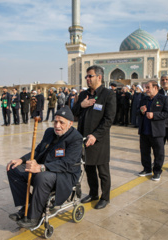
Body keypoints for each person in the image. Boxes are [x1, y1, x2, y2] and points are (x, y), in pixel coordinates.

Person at [6, 106, 82, 228]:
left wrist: (41, 167)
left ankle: (34, 217)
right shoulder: (49, 132)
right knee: (13, 169)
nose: (57, 125)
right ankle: (27, 207)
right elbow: (37, 151)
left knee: (42, 177)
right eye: (55, 121)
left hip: (64, 174)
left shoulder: (76, 138)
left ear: (70, 124)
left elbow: (67, 164)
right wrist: (21, 160)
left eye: (61, 122)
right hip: (44, 168)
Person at [72, 65, 116, 210]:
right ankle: (93, 193)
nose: (87, 79)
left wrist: (95, 136)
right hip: (84, 139)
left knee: (103, 171)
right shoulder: (84, 94)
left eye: (90, 76)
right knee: (88, 168)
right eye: (86, 76)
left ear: (99, 77)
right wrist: (82, 105)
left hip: (99, 140)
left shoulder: (107, 94)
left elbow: (108, 120)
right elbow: (74, 114)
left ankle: (105, 197)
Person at [138, 80, 168, 181]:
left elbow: (167, 113)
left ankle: (157, 172)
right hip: (144, 130)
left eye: (148, 87)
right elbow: (137, 112)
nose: (146, 90)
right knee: (144, 152)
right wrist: (141, 111)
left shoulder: (163, 99)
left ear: (155, 88)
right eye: (145, 87)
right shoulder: (144, 99)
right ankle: (147, 169)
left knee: (158, 153)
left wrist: (154, 115)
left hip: (156, 131)